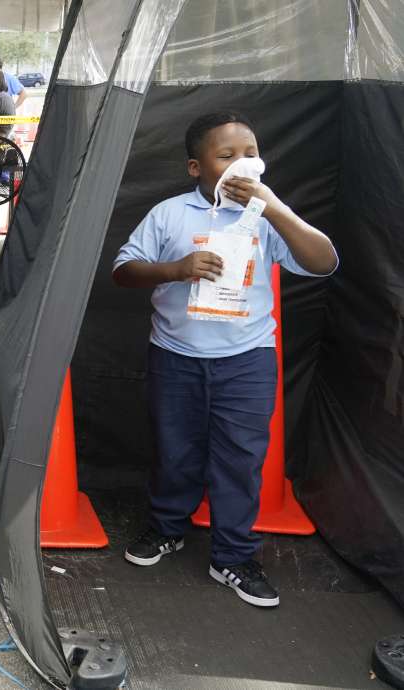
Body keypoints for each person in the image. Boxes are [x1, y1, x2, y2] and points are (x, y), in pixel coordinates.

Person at [113, 112, 338, 608]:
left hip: (246, 360)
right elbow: (123, 271)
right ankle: (168, 527)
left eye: (251, 153)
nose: (243, 163)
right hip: (176, 357)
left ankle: (233, 556)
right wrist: (175, 269)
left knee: (240, 460)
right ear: (197, 167)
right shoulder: (170, 214)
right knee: (175, 449)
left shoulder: (266, 218)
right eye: (227, 155)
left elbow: (323, 262)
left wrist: (274, 206)